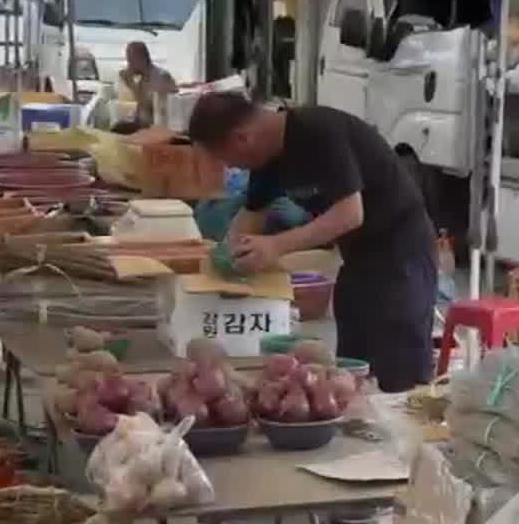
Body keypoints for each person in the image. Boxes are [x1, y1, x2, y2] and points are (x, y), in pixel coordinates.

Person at [187, 93, 437, 392]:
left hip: (401, 255)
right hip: (357, 260)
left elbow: (350, 213)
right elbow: (250, 217)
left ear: (242, 138)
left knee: (397, 374)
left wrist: (275, 246)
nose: (235, 170)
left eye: (229, 161)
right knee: (350, 372)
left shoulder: (317, 133)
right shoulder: (267, 161)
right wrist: (222, 259)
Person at [114, 41, 178, 133]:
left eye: (130, 61)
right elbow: (140, 107)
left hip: (155, 127)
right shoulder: (143, 78)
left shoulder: (161, 77)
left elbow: (151, 107)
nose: (129, 65)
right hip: (142, 125)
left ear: (141, 59)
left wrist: (131, 84)